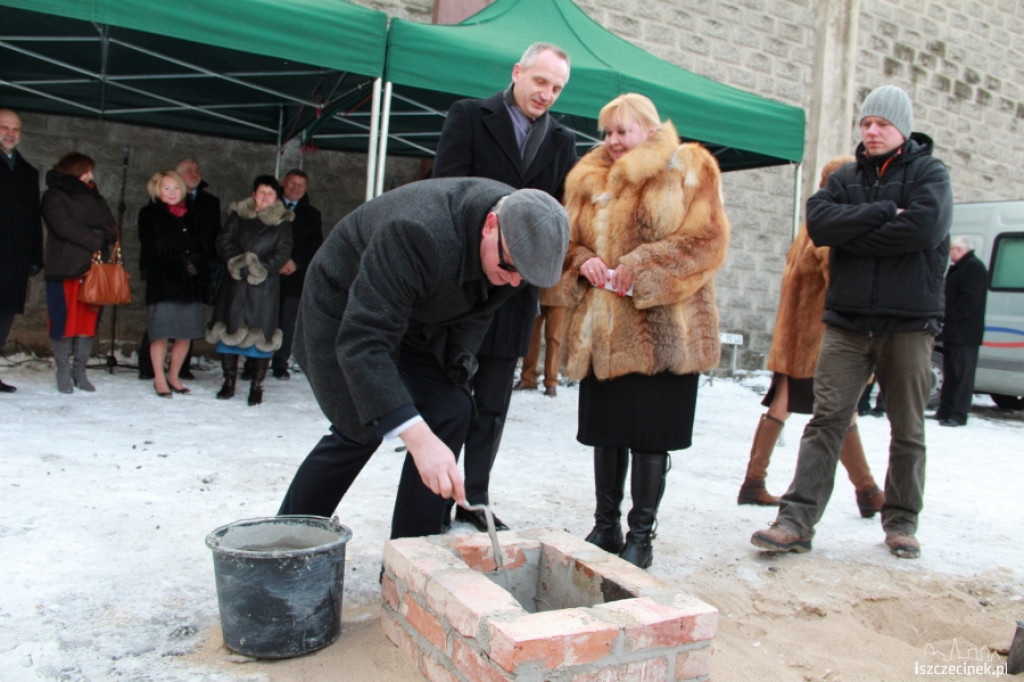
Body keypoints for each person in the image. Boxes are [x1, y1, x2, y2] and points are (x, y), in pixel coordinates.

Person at [277, 178, 569, 540]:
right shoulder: (417, 232)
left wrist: (459, 360)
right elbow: (364, 341)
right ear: (490, 224)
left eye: (523, 278)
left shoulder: (515, 241)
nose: (513, 283)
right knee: (358, 423)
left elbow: (480, 305)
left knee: (452, 408)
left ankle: (413, 557)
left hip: (414, 316)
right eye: (509, 267)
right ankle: (286, 544)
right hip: (345, 306)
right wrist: (416, 436)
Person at [751, 85, 953, 560]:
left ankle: (901, 521)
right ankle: (796, 520)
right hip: (846, 323)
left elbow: (924, 229)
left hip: (908, 325)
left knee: (907, 428)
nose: (872, 131)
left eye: (881, 123)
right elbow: (821, 225)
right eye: (866, 123)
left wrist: (855, 232)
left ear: (902, 127)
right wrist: (884, 213)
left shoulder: (930, 174)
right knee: (826, 421)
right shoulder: (844, 178)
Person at [549, 94, 730, 569]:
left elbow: (706, 242)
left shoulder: (688, 166)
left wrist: (640, 267)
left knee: (651, 435)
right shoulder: (586, 180)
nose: (611, 141)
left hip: (664, 330)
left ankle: (641, 536)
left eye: (622, 131)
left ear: (649, 130)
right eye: (606, 131)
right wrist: (580, 260)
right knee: (607, 432)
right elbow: (566, 242)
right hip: (604, 332)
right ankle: (605, 524)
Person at [432, 41, 578, 532]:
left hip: (516, 291)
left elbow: (558, 215)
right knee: (449, 395)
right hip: (465, 285)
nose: (547, 94)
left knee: (493, 402)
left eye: (557, 88)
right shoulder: (470, 116)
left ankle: (475, 497)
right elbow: (446, 192)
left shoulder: (561, 141)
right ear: (517, 72)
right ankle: (433, 494)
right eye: (540, 81)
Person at [737, 157, 885, 520]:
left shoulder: (810, 226)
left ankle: (754, 481)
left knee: (784, 406)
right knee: (841, 414)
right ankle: (867, 491)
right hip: (817, 340)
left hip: (795, 338)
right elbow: (838, 278)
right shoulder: (833, 230)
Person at [206, 175, 293, 406]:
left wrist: (259, 269)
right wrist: (238, 262)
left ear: (276, 198)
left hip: (264, 288)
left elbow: (282, 253)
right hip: (234, 284)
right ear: (254, 194)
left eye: (270, 193)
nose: (265, 197)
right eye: (261, 192)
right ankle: (229, 381)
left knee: (261, 335)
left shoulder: (282, 223)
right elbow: (223, 241)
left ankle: (257, 385)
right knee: (229, 331)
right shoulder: (239, 216)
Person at [40, 152, 119, 394]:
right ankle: (63, 369)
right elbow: (63, 225)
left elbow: (110, 226)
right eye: (87, 170)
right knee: (63, 321)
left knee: (88, 322)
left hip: (93, 271)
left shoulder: (95, 196)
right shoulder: (54, 195)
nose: (91, 176)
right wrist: (95, 237)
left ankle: (80, 370)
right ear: (74, 170)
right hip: (65, 268)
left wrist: (101, 234)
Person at [138, 157, 220, 380]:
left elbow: (204, 243)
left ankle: (174, 376)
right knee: (160, 334)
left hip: (190, 283)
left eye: (176, 187)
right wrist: (181, 263)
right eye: (167, 188)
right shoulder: (150, 214)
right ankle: (159, 378)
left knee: (185, 334)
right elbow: (156, 246)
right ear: (158, 190)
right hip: (164, 282)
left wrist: (196, 263)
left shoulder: (192, 214)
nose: (172, 192)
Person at [0, 109, 43, 393]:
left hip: (13, 259)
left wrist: (34, 256)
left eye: (16, 129)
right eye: (4, 127)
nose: (11, 133)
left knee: (3, 317)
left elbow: (33, 217)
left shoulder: (28, 172)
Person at [271, 169, 322, 380]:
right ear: (284, 182)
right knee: (264, 320)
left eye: (301, 185)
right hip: (269, 273)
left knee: (287, 323)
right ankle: (253, 363)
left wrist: (295, 262)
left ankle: (280, 363)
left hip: (295, 277)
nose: (296, 188)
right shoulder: (271, 206)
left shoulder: (312, 214)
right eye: (292, 183)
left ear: (306, 188)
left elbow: (315, 244)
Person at [933, 235, 988, 426]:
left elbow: (969, 301)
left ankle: (958, 414)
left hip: (965, 333)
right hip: (954, 331)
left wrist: (950, 316)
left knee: (963, 375)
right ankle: (945, 410)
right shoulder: (960, 267)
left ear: (959, 250)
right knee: (952, 373)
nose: (949, 253)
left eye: (951, 249)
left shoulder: (973, 267)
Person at [512, 292, 563, 397]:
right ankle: (528, 378)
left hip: (560, 291)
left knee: (554, 338)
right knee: (530, 336)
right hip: (536, 291)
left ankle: (551, 381)